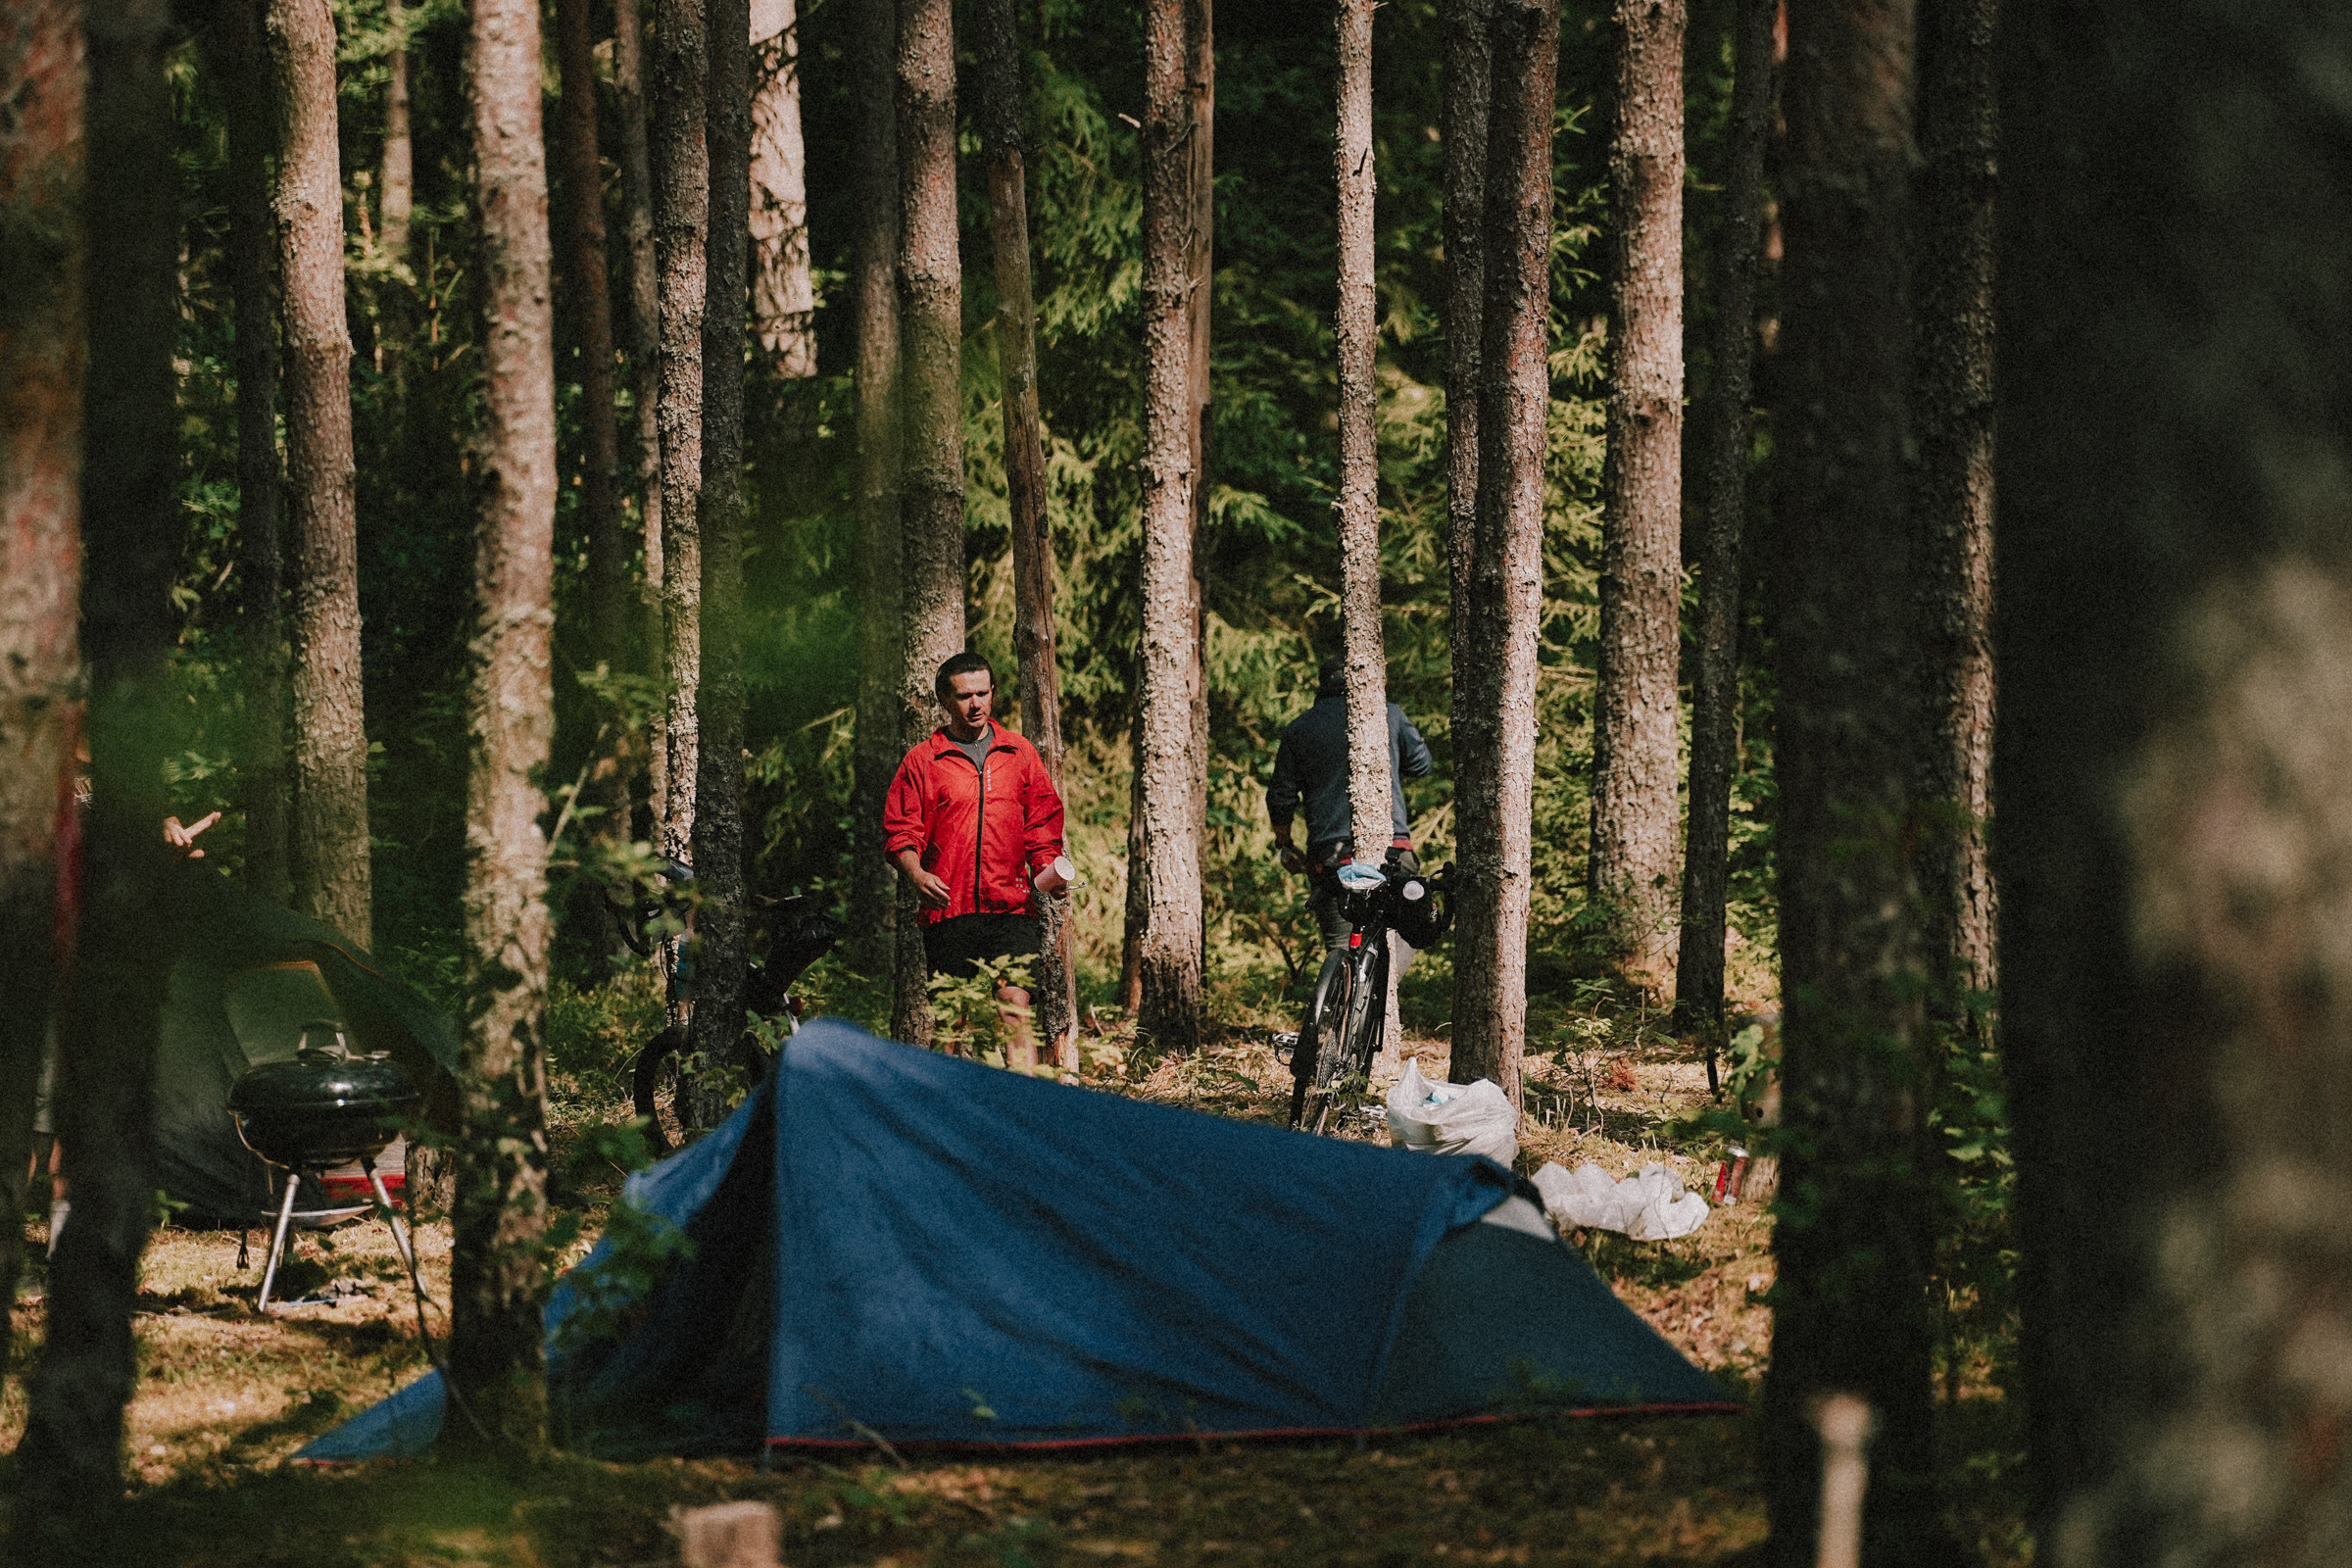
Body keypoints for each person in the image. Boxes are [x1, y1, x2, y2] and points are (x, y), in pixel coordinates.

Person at [884, 651, 1069, 1066]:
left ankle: (1021, 1109)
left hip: (1011, 906)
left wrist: (1049, 870)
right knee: (952, 1020)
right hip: (949, 907)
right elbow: (901, 830)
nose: (976, 704)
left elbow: (1042, 822)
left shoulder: (1019, 754)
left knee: (1015, 1006)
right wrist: (915, 874)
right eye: (965, 696)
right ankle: (934, 1113)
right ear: (945, 700)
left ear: (993, 694)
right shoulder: (923, 760)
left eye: (983, 693)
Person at [1266, 660, 1436, 956]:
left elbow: (1281, 797)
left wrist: (1285, 844)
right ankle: (1378, 992)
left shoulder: (1299, 728)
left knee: (1340, 951)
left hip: (1331, 856)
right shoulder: (1389, 714)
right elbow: (1422, 765)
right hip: (1393, 848)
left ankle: (1343, 993)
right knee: (1404, 939)